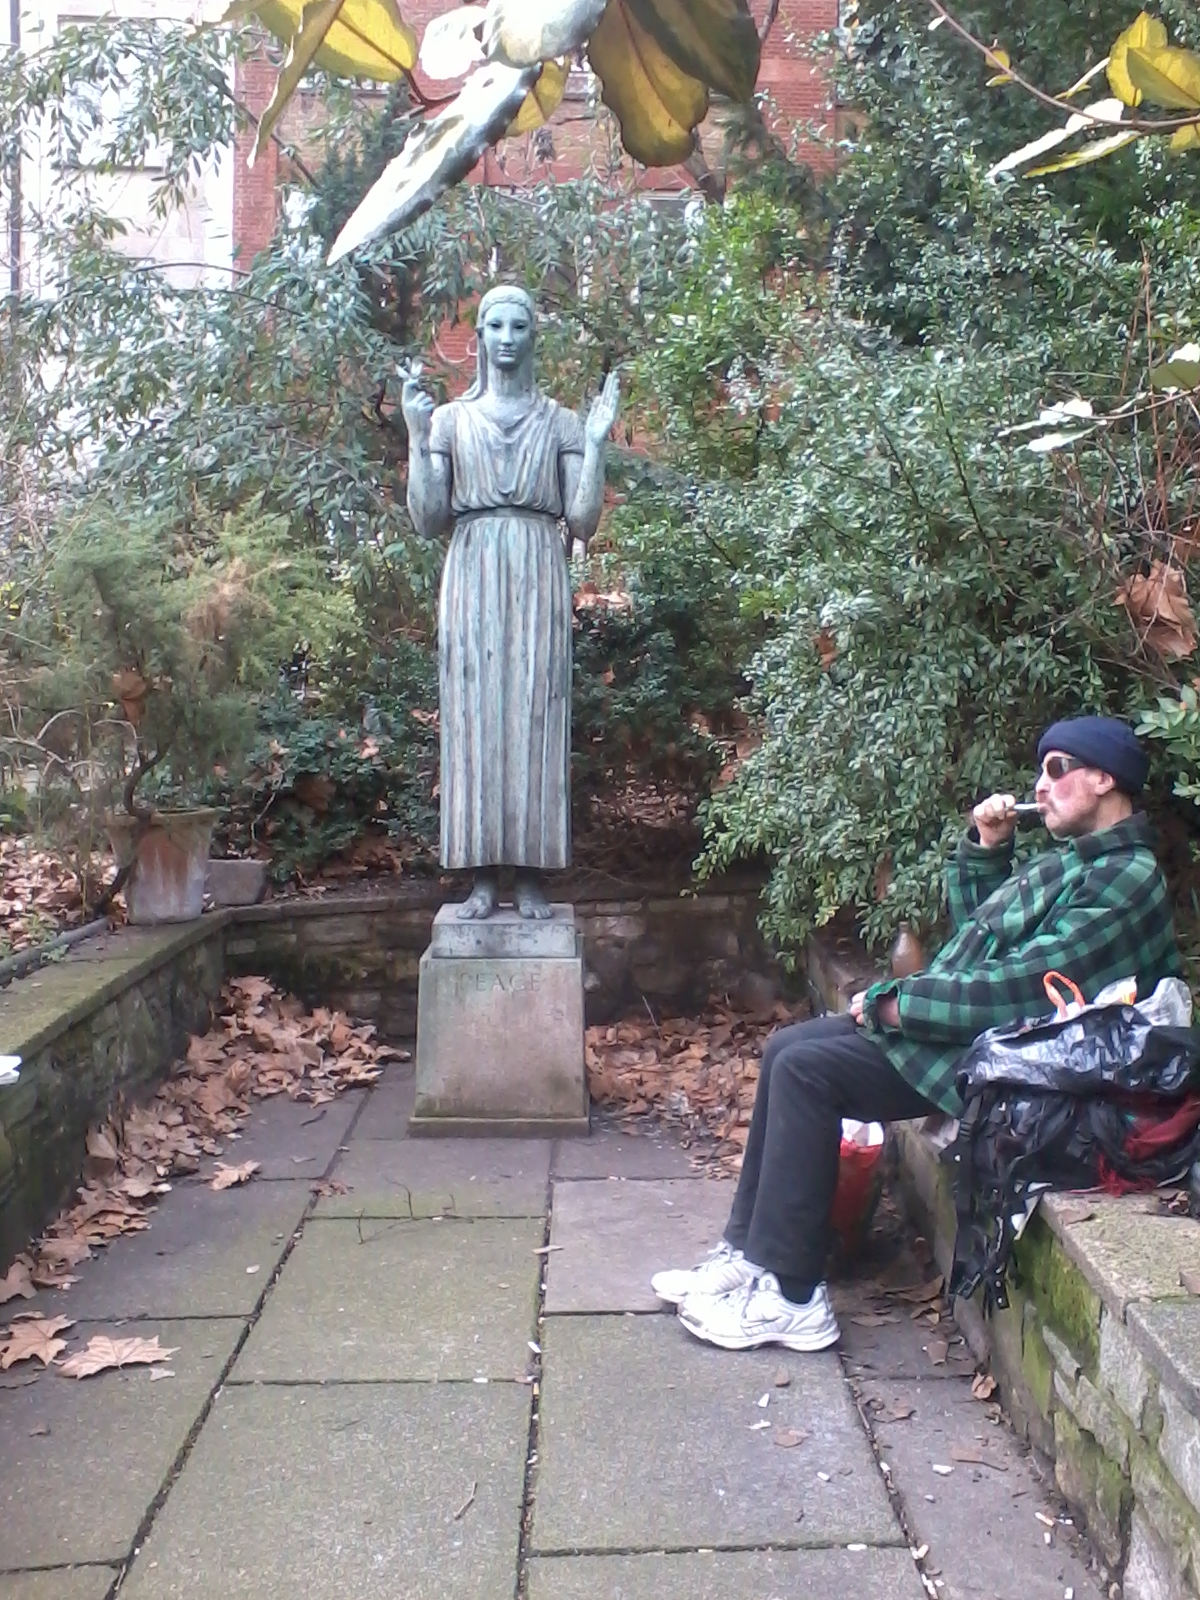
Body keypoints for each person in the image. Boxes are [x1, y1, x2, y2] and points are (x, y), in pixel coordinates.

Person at [652, 716, 1182, 1352]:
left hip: (1037, 1071)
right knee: (787, 1049)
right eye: (1040, 771)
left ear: (1103, 779)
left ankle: (794, 1297)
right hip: (1006, 1042)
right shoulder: (1076, 862)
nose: (1040, 786)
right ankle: (751, 1254)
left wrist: (899, 1005)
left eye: (1057, 769)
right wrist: (987, 850)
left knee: (806, 1071)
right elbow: (986, 940)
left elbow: (1023, 985)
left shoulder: (1128, 878)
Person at [402, 285, 620, 921]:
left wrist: (599, 442)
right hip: (471, 571)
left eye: (517, 326)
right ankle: (479, 876)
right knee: (473, 720)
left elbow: (582, 520)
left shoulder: (560, 423)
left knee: (534, 713)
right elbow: (427, 518)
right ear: (478, 339)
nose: (504, 337)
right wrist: (417, 438)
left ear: (532, 337)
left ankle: (529, 872)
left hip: (536, 567)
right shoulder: (450, 421)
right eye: (493, 325)